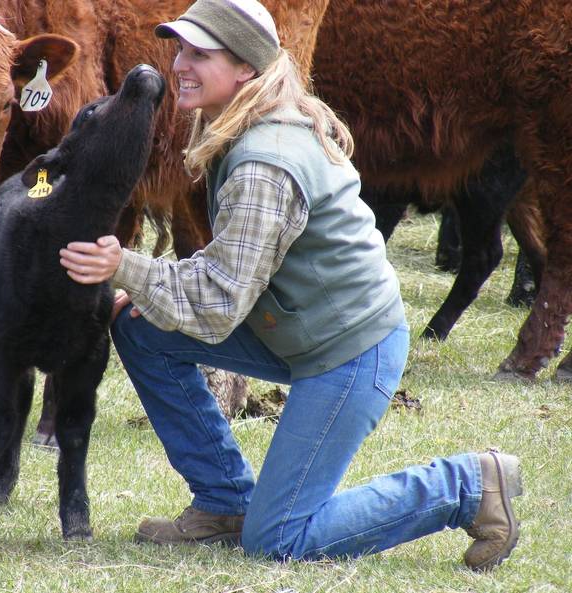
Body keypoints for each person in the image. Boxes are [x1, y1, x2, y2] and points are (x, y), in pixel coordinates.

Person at [59, 0, 523, 571]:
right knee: (141, 327)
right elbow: (232, 268)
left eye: (199, 54)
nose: (179, 64)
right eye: (180, 49)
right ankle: (225, 502)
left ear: (246, 70)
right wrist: (145, 287)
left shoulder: (264, 162)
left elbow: (216, 305)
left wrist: (124, 266)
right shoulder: (244, 121)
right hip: (296, 329)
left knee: (279, 539)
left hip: (349, 354)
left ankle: (466, 485)